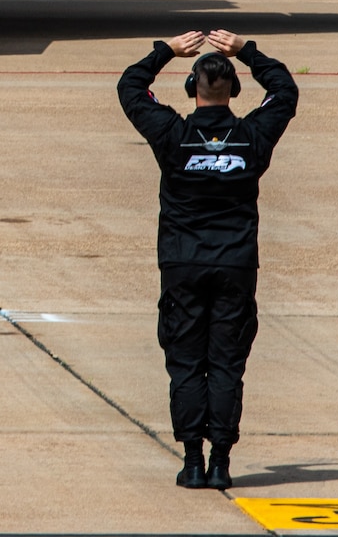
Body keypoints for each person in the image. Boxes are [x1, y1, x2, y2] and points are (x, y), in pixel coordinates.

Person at [117, 28, 298, 490]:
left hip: (182, 265)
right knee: (225, 365)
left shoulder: (172, 135)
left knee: (185, 363)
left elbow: (130, 87)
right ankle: (220, 461)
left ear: (190, 89)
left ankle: (192, 460)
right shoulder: (252, 136)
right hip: (236, 265)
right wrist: (245, 51)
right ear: (234, 90)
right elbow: (284, 89)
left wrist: (166, 50)